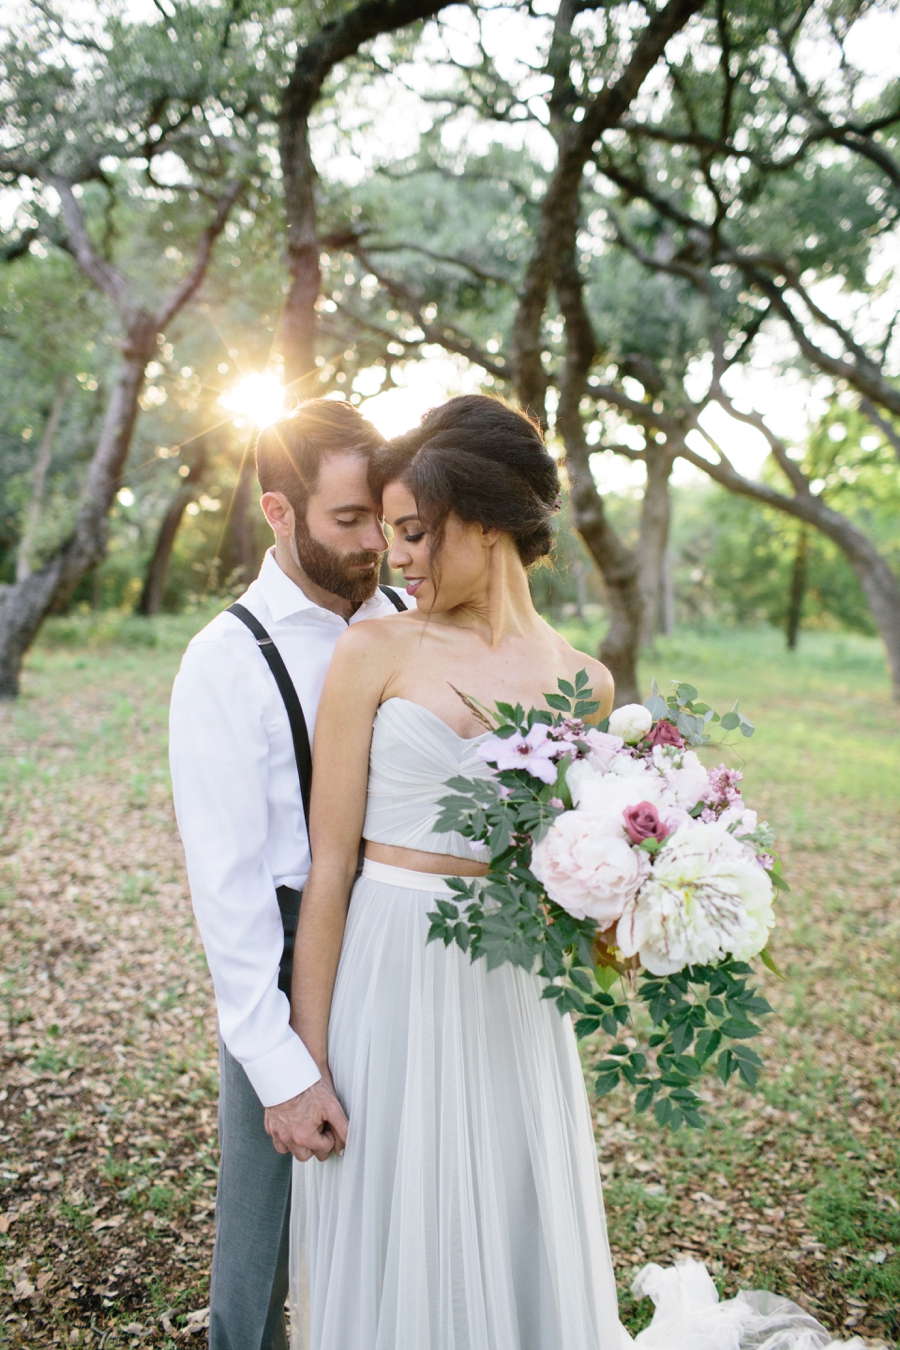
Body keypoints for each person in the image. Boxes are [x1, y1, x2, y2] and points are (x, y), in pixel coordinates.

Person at [286, 394, 864, 1350]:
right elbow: (330, 865)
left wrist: (640, 888)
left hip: (509, 988)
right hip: (386, 974)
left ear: (482, 521)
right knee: (396, 1208)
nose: (398, 558)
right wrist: (307, 1060)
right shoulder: (374, 648)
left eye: (416, 532)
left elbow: (559, 869)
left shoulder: (584, 683)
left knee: (507, 1202)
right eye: (391, 535)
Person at [169, 399, 409, 1350]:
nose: (374, 548)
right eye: (349, 521)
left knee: (397, 1182)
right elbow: (224, 893)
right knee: (264, 1232)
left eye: (383, 522)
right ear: (279, 511)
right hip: (278, 951)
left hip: (399, 945)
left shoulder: (408, 616)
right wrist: (279, 1070)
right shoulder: (226, 662)